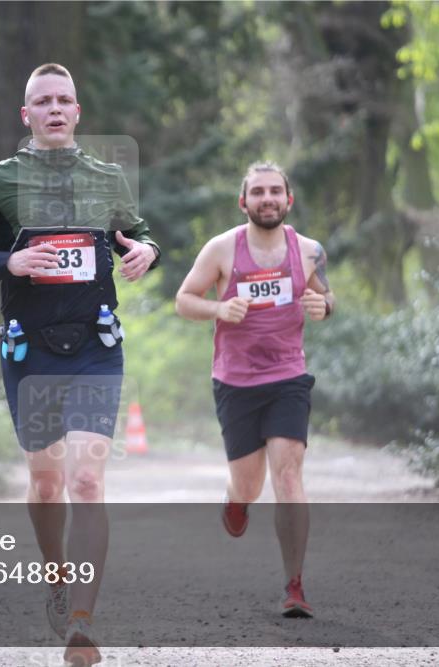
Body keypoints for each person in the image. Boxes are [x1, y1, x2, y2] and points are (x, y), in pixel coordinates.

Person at [0, 63, 160, 664]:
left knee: (86, 480)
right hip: (28, 349)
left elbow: (137, 235)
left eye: (65, 100)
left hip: (95, 345)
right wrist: (6, 264)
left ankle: (81, 622)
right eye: (44, 101)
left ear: (78, 114)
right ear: (27, 115)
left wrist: (147, 251)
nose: (56, 109)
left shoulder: (106, 178)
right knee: (45, 480)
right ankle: (57, 573)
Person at [174, 161, 334, 618]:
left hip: (288, 377)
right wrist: (219, 311)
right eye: (258, 192)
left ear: (289, 200)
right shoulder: (223, 249)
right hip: (235, 381)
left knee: (288, 474)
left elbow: (327, 296)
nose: (268, 199)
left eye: (275, 191)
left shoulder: (308, 251)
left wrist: (324, 306)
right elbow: (185, 300)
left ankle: (295, 586)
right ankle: (236, 500)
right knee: (250, 483)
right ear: (243, 201)